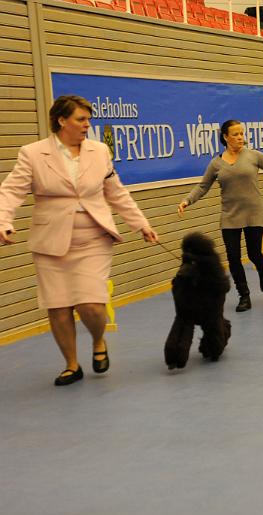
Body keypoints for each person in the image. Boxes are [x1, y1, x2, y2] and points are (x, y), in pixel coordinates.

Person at [0, 95, 158, 386]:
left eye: (88, 119)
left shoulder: (99, 151)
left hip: (93, 237)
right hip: (50, 241)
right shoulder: (32, 153)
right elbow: (11, 191)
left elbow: (117, 193)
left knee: (91, 304)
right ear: (62, 120)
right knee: (58, 307)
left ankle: (98, 340)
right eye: (81, 119)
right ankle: (72, 365)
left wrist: (141, 224)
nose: (87, 125)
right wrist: (3, 221)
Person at [178, 120, 263, 312]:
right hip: (230, 215)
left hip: (253, 212)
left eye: (242, 133)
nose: (240, 137)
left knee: (254, 253)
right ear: (225, 137)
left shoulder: (253, 155)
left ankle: (262, 269)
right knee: (233, 258)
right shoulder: (216, 163)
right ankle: (244, 295)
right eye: (235, 134)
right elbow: (203, 186)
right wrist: (187, 200)